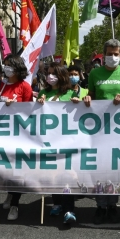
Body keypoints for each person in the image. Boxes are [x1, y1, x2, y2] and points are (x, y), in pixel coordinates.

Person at [83, 39, 120, 224]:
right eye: (110, 54)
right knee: (99, 168)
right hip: (99, 128)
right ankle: (100, 205)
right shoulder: (94, 73)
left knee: (114, 168)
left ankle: (112, 205)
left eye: (116, 54)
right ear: (103, 55)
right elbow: (90, 94)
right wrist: (87, 98)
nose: (113, 57)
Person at [0, 54, 33, 221]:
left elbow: (29, 112)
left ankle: (15, 203)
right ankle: (9, 194)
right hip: (1, 134)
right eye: (5, 65)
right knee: (6, 170)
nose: (6, 68)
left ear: (17, 68)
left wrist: (15, 107)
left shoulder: (25, 86)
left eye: (10, 65)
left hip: (19, 135)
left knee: (18, 171)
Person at [38, 63, 81, 225]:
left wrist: (78, 104)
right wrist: (39, 103)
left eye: (53, 73)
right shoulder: (43, 93)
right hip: (49, 141)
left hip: (66, 141)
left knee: (67, 175)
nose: (50, 76)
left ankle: (69, 209)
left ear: (61, 75)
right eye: (48, 73)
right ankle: (56, 203)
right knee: (52, 174)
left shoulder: (70, 93)